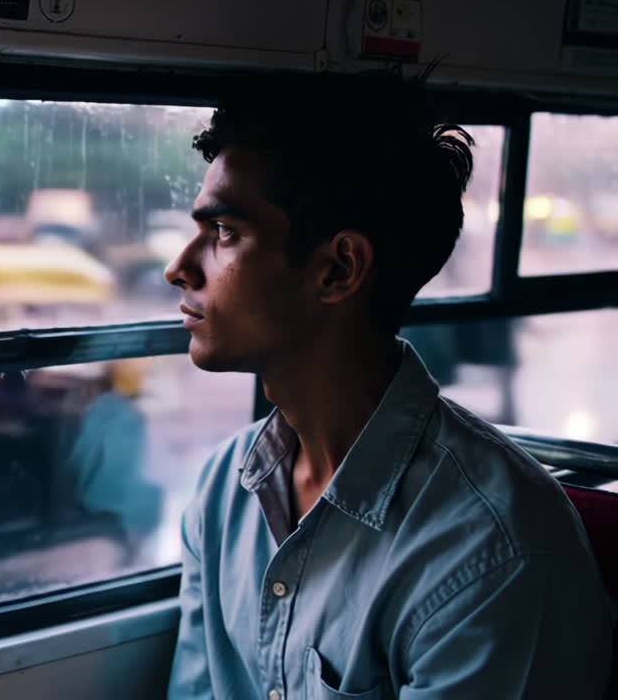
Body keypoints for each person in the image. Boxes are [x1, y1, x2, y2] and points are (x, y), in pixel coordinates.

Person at [163, 73, 612, 699]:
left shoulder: (496, 550)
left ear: (339, 268)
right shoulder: (221, 491)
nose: (179, 267)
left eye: (226, 233)